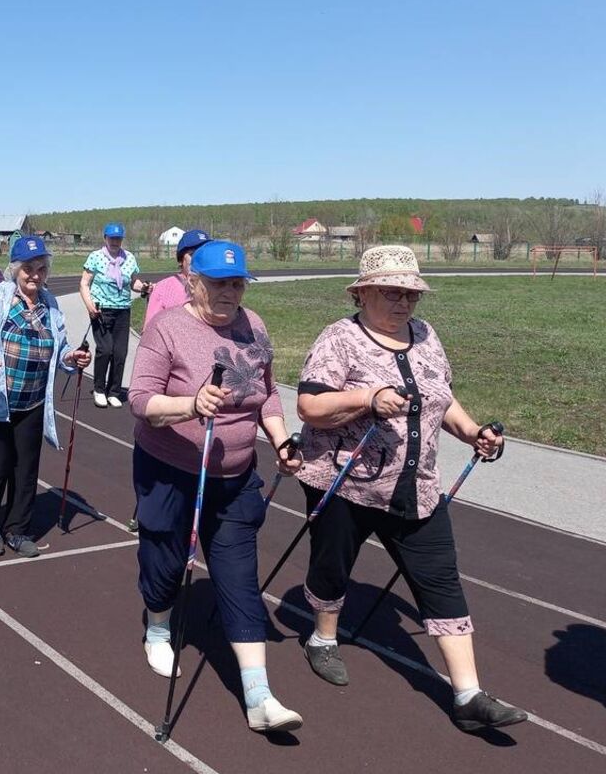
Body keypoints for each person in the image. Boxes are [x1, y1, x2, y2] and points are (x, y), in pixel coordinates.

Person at [294, 245, 525, 732]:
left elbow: (442, 397)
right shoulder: (339, 339)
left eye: (411, 295)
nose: (404, 304)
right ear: (363, 293)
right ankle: (322, 639)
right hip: (347, 484)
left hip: (416, 488)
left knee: (441, 580)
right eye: (392, 293)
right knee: (332, 568)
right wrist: (369, 398)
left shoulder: (425, 336)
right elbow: (311, 408)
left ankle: (467, 696)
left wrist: (473, 432)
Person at [129, 241, 304, 733]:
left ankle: (259, 696)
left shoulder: (255, 326)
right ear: (192, 282)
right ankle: (158, 625)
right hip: (169, 470)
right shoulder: (167, 327)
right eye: (219, 283)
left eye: (238, 283)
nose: (230, 292)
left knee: (240, 578)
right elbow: (141, 399)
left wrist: (280, 440)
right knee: (163, 562)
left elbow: (266, 393)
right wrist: (190, 406)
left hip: (235, 478)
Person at [0, 235, 92, 558]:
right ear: (15, 269)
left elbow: (59, 350)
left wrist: (71, 359)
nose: (35, 274)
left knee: (26, 468)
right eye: (28, 268)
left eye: (41, 268)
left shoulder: (50, 304)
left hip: (31, 401)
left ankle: (17, 529)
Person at [80, 222, 151, 408]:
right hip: (101, 310)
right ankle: (99, 389)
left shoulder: (129, 258)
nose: (115, 242)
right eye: (111, 238)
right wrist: (89, 306)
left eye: (118, 238)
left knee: (120, 352)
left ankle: (114, 391)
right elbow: (84, 284)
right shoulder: (95, 257)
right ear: (105, 238)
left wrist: (143, 287)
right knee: (106, 349)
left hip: (123, 310)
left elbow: (133, 283)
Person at [142, 229, 212, 330]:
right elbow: (149, 331)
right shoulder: (163, 289)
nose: (200, 259)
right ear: (181, 260)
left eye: (204, 254)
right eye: (193, 255)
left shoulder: (216, 287)